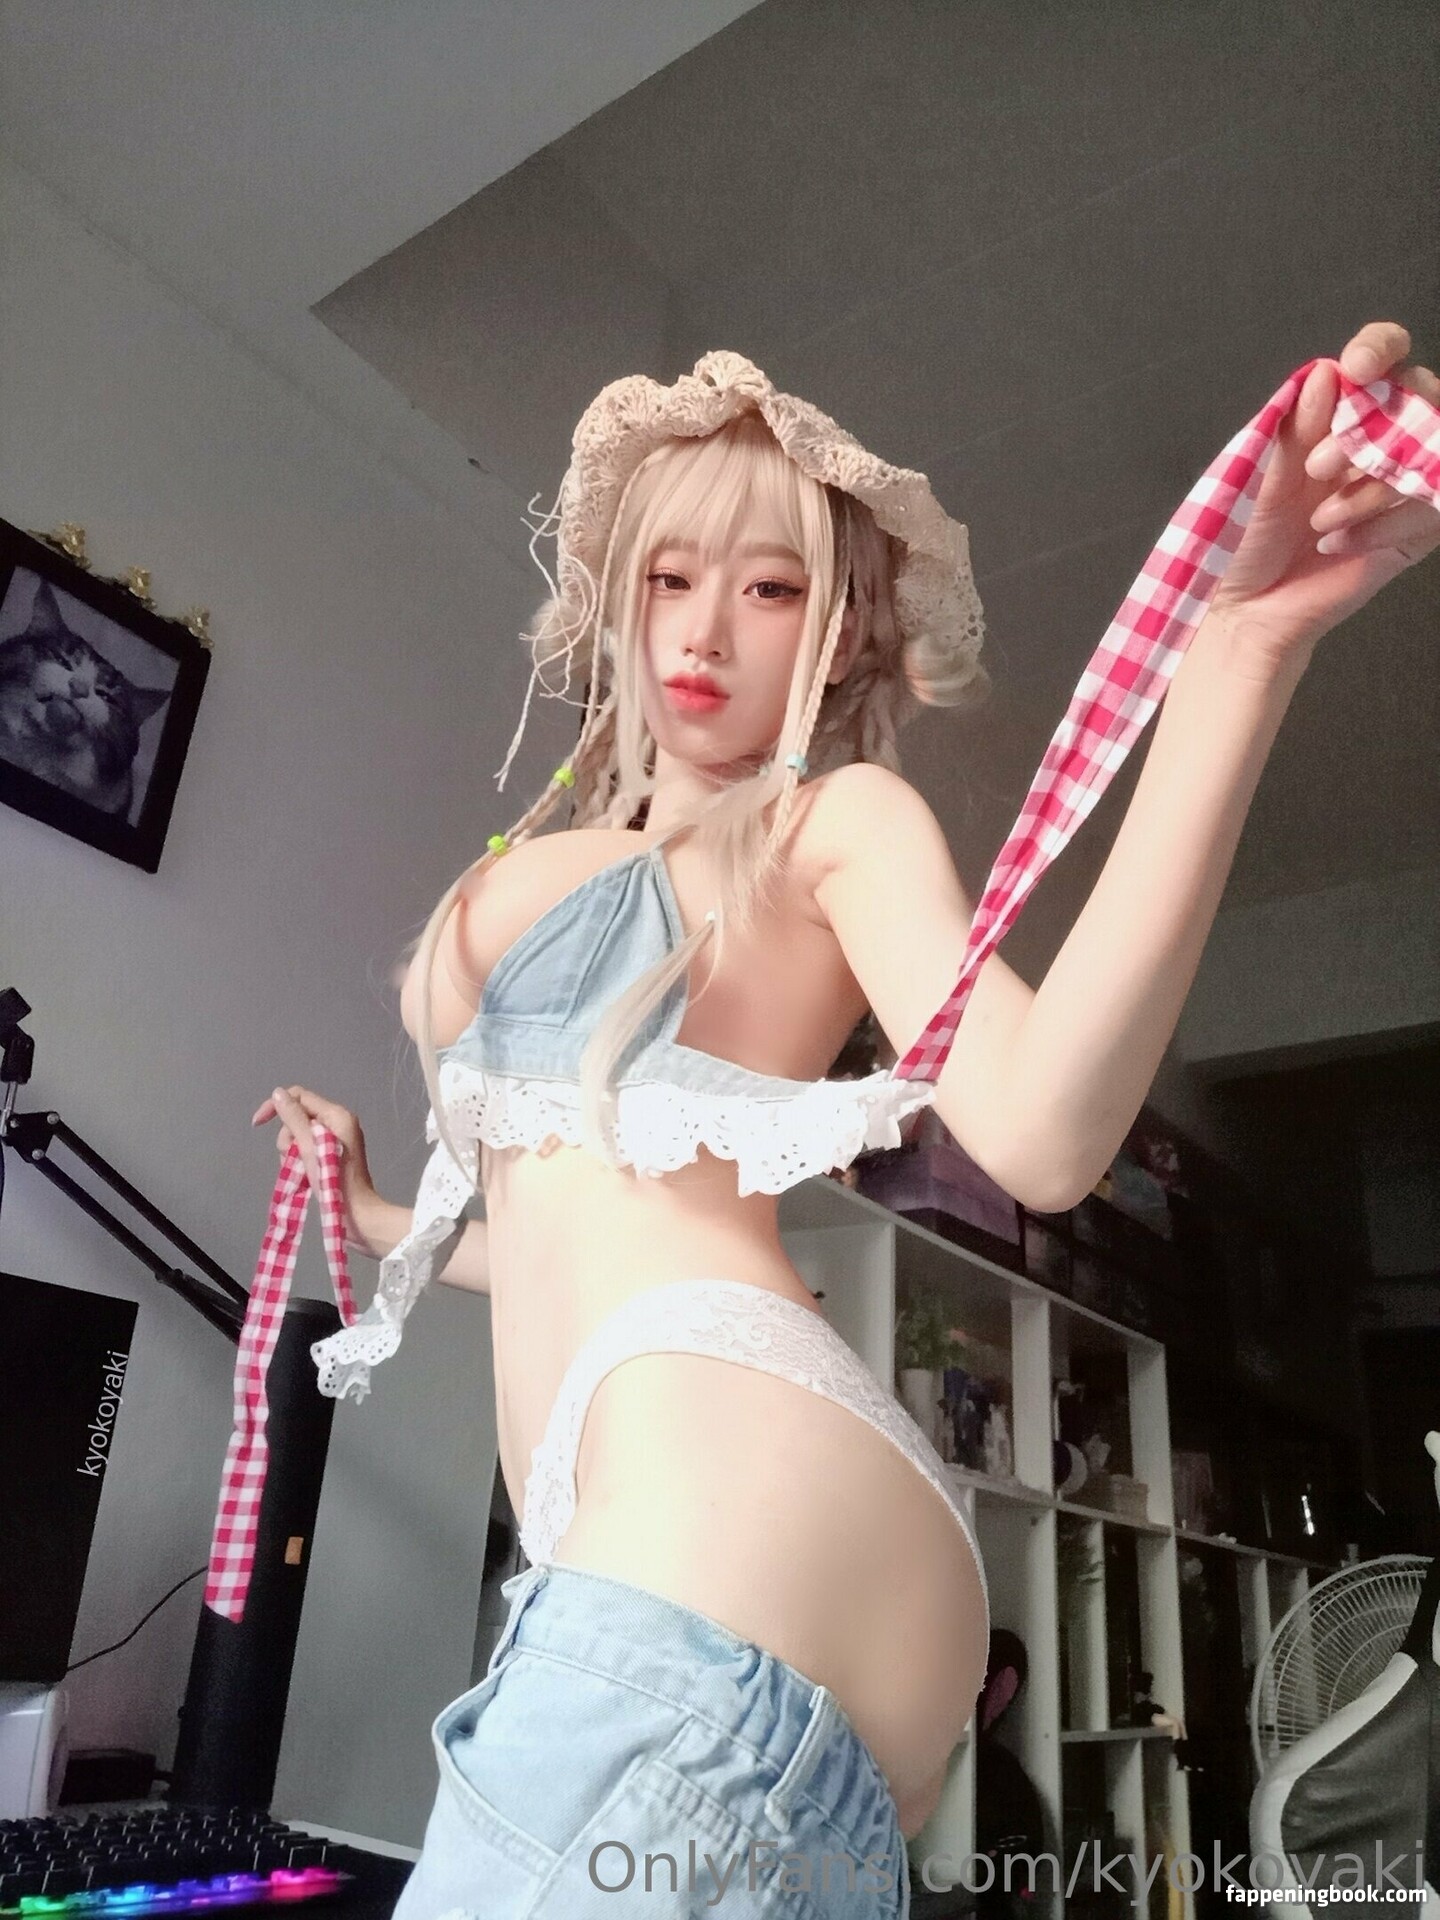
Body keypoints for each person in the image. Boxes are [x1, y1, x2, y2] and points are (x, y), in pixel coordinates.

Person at [253, 324, 1438, 1917]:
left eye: (771, 588)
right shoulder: (571, 835)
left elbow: (1042, 1131)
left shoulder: (832, 822)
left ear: (842, 628)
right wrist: (380, 1210)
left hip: (712, 1530)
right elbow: (570, 1221)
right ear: (615, 594)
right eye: (671, 577)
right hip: (725, 1570)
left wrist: (1239, 649)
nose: (706, 629)